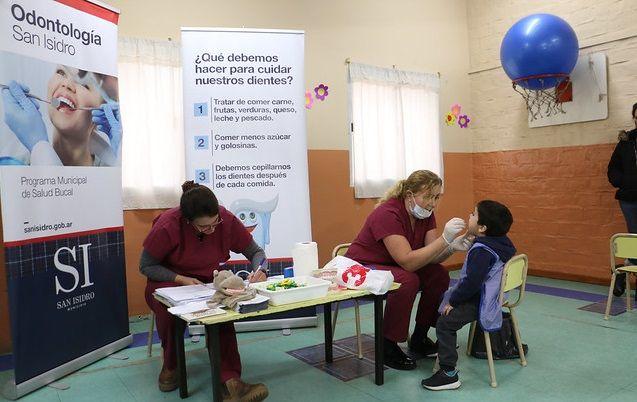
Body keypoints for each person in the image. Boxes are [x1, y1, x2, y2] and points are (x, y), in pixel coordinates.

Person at [140, 181, 269, 401]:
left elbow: (256, 252)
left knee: (223, 312)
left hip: (206, 283)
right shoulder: (167, 225)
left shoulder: (225, 219)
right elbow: (146, 266)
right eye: (203, 227)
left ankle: (230, 382)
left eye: (214, 223)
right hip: (168, 282)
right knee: (169, 313)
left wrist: (261, 269)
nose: (212, 230)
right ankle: (171, 366)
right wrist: (180, 279)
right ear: (187, 221)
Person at [345, 170, 472, 370]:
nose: (432, 203)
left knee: (438, 274)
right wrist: (444, 239)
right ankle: (387, 345)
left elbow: (432, 257)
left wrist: (451, 247)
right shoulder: (387, 214)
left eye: (436, 197)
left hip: (391, 264)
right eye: (428, 196)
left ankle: (420, 337)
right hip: (362, 267)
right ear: (409, 195)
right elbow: (408, 263)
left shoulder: (425, 214)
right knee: (407, 280)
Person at [422, 200, 515, 391]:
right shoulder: (502, 243)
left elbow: (472, 283)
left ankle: (448, 372)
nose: (469, 216)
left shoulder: (481, 252)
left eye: (473, 214)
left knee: (445, 322)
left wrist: (454, 301)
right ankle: (443, 346)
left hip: (480, 300)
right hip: (494, 297)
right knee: (443, 298)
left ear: (482, 228)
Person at [1, 65, 120, 166]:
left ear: (104, 111)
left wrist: (39, 145)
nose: (67, 84)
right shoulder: (10, 167)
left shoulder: (112, 175)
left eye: (84, 85)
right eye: (61, 72)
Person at [607, 102, 637, 298]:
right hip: (629, 198)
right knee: (635, 239)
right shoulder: (626, 142)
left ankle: (623, 269)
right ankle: (626, 270)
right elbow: (613, 168)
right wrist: (623, 182)